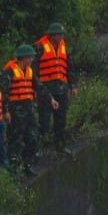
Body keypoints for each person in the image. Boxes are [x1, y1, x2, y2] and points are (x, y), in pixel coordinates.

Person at [35, 23, 76, 153]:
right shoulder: (39, 47)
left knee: (61, 120)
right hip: (46, 90)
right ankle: (37, 149)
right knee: (44, 121)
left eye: (62, 34)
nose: (62, 37)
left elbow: (69, 67)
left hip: (61, 89)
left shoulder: (63, 47)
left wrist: (72, 85)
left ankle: (60, 147)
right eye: (60, 34)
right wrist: (35, 89)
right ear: (52, 35)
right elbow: (33, 72)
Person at [2, 44, 40, 176]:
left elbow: (38, 86)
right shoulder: (10, 72)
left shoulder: (29, 71)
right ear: (23, 58)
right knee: (15, 140)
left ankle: (27, 165)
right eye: (30, 57)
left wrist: (50, 99)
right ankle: (13, 170)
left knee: (33, 138)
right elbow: (4, 93)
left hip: (28, 109)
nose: (32, 60)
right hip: (16, 110)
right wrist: (5, 111)